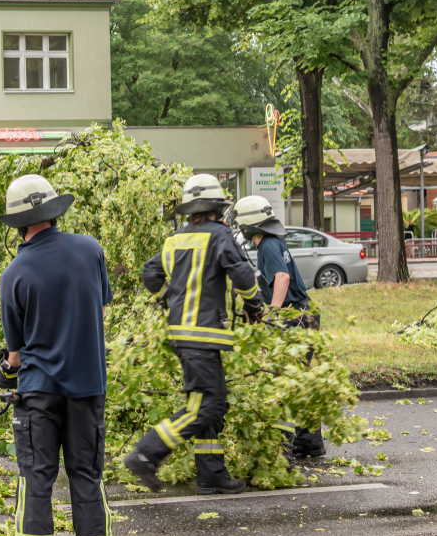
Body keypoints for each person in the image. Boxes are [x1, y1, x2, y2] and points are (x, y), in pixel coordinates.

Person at [0, 174, 115, 536]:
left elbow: (15, 353)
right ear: (54, 211)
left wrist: (6, 372)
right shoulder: (90, 249)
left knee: (36, 482)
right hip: (88, 388)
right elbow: (97, 310)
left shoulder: (13, 275)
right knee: (87, 478)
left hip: (38, 393)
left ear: (17, 223)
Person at [124, 174, 265, 495]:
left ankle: (211, 474)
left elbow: (150, 273)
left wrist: (165, 298)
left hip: (182, 334)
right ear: (217, 208)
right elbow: (242, 273)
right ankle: (146, 454)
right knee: (204, 407)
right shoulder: (219, 236)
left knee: (209, 405)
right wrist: (254, 306)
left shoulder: (175, 239)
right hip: (204, 335)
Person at [231, 195, 324, 459]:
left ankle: (283, 450)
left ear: (248, 225)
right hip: (302, 316)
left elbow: (282, 278)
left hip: (295, 319)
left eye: (240, 225)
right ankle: (309, 442)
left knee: (283, 380)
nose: (240, 230)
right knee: (299, 380)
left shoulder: (268, 246)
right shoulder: (270, 245)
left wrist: (272, 314)